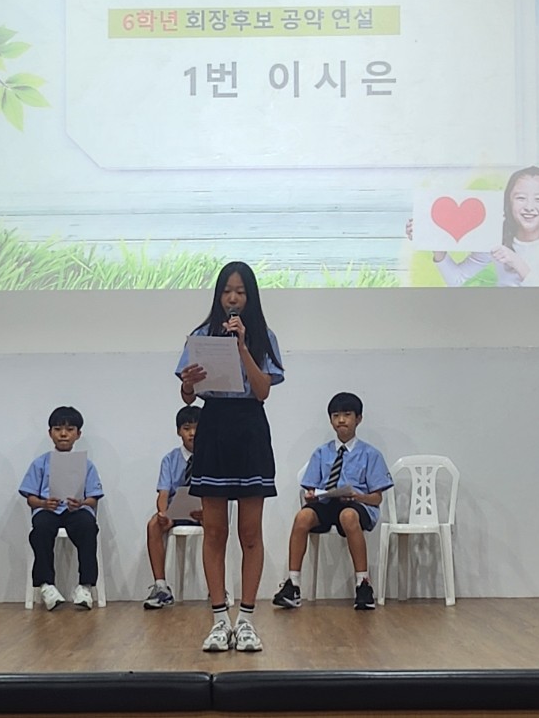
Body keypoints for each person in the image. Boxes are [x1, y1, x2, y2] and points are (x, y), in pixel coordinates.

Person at [176, 260, 284, 653]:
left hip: (250, 429)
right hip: (215, 428)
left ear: (250, 296)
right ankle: (220, 619)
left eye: (240, 291)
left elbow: (263, 390)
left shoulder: (263, 336)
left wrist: (241, 347)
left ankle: (248, 621)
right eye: (226, 291)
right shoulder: (200, 335)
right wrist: (188, 385)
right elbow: (189, 396)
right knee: (215, 531)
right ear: (218, 295)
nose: (233, 298)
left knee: (250, 533)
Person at [271, 391, 393, 611]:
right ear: (330, 420)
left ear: (358, 418)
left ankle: (363, 584)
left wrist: (358, 496)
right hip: (328, 503)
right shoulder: (321, 453)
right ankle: (293, 584)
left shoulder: (370, 454)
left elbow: (377, 498)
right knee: (303, 516)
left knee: (348, 515)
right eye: (336, 416)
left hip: (358, 505)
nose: (341, 420)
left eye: (347, 415)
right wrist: (311, 495)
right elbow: (310, 487)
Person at [409, 166, 539, 286]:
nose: (529, 207)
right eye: (520, 198)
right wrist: (436, 243)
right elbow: (456, 279)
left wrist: (516, 261)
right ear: (509, 202)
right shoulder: (495, 240)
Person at [18, 406, 104, 610]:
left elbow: (93, 498)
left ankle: (85, 586)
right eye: (58, 429)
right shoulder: (40, 463)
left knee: (88, 525)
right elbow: (30, 497)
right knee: (40, 528)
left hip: (76, 510)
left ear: (78, 434)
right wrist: (43, 503)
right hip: (48, 510)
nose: (63, 434)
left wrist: (81, 503)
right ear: (50, 433)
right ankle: (46, 585)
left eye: (70, 429)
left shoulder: (87, 465)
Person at [142, 405, 203, 609]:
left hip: (204, 511)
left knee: (216, 525)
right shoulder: (169, 459)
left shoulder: (212, 456)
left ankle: (218, 588)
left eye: (197, 428)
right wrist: (163, 513)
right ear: (178, 431)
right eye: (187, 428)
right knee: (153, 525)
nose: (192, 433)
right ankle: (161, 587)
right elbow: (163, 493)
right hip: (175, 511)